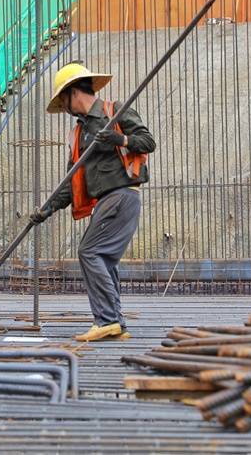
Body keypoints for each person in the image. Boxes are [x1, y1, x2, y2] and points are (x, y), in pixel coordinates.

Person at [31, 63, 156, 342]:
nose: (64, 108)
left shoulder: (115, 112)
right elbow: (71, 182)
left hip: (122, 195)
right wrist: (46, 210)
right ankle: (116, 324)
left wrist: (119, 139)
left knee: (89, 251)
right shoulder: (79, 133)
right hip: (107, 201)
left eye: (63, 101)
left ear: (74, 92)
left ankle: (108, 319)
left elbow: (148, 141)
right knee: (105, 259)